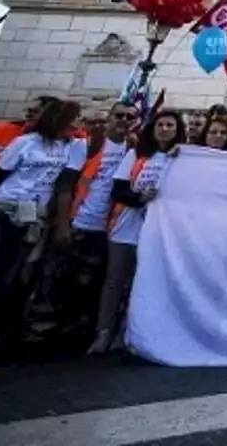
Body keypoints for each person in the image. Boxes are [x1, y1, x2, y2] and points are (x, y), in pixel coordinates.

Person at [0, 98, 82, 356]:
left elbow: (65, 184)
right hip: (3, 208)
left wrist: (61, 223)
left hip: (34, 214)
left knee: (15, 273)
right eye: (73, 120)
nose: (76, 125)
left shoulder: (73, 147)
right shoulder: (25, 142)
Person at [90, 110, 185, 354]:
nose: (165, 129)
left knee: (142, 283)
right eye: (161, 124)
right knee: (114, 282)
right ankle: (103, 332)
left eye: (170, 126)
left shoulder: (182, 158)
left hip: (158, 233)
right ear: (153, 128)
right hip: (126, 228)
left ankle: (129, 332)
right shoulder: (136, 155)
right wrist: (140, 198)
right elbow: (118, 189)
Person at [55, 102, 137, 343]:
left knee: (94, 284)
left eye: (130, 117)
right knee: (62, 281)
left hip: (108, 229)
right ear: (110, 118)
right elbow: (65, 185)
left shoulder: (133, 148)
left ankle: (79, 334)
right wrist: (62, 224)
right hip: (79, 223)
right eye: (119, 115)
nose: (124, 120)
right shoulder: (86, 146)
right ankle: (49, 334)